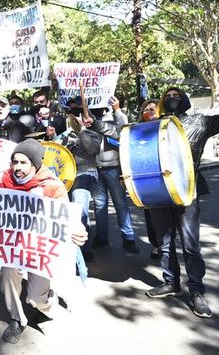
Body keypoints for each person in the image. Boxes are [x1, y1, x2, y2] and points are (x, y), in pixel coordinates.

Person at [0, 139, 87, 343]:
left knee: (37, 297)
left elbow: (66, 216)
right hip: (12, 245)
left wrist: (78, 231)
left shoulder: (53, 186)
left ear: (35, 164)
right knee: (9, 273)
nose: (17, 167)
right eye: (14, 162)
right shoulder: (2, 183)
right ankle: (17, 319)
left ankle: (46, 301)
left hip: (39, 248)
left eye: (23, 162)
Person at [145, 87, 219, 318]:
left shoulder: (199, 122)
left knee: (190, 244)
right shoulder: (154, 124)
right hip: (160, 192)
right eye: (167, 97)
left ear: (185, 100)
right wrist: (96, 124)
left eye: (176, 96)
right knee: (165, 240)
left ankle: (197, 292)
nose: (171, 100)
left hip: (187, 191)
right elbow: (126, 135)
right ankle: (171, 282)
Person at [87, 97, 139, 254]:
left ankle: (128, 238)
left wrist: (117, 110)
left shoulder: (113, 117)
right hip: (96, 167)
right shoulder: (88, 118)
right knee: (100, 205)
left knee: (120, 203)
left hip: (113, 167)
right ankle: (102, 237)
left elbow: (123, 130)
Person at [61, 97, 102, 262]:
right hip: (68, 175)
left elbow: (93, 149)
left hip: (86, 173)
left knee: (80, 210)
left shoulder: (94, 131)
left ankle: (85, 249)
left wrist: (81, 131)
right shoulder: (67, 133)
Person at [138, 99, 161, 259]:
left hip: (164, 178)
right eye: (146, 110)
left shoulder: (166, 126)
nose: (149, 112)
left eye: (152, 109)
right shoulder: (137, 130)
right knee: (151, 216)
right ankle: (156, 244)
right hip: (145, 180)